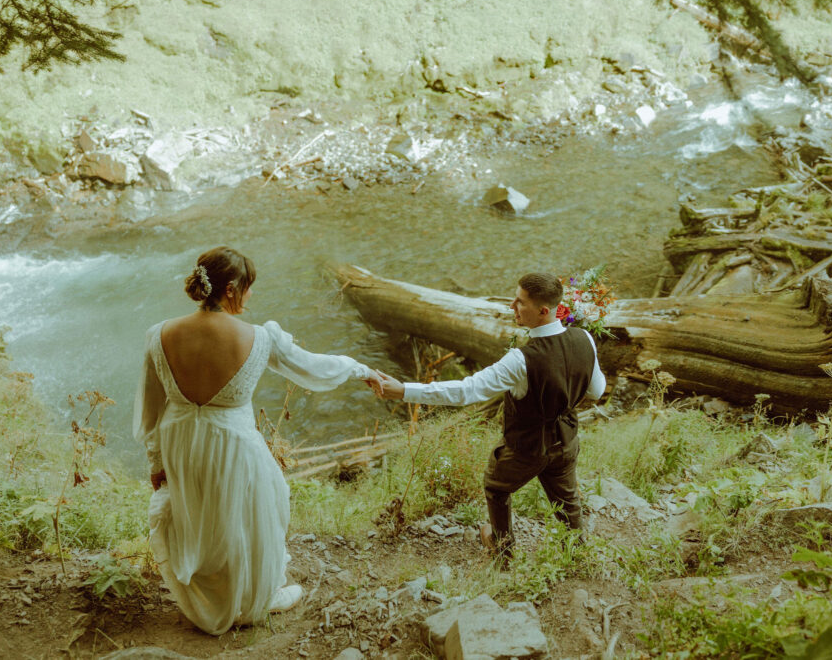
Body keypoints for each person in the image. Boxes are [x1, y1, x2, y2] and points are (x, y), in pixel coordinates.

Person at [134, 246, 382, 635]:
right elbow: (312, 366)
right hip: (232, 442)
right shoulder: (258, 337)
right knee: (249, 511)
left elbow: (151, 408)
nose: (252, 296)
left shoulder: (159, 334)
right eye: (249, 288)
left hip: (179, 441)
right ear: (231, 289)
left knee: (197, 514)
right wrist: (360, 368)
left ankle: (211, 597)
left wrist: (156, 461)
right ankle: (253, 601)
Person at [376, 272, 605, 566]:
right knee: (567, 498)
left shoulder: (521, 359)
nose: (512, 305)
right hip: (567, 439)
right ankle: (575, 554)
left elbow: (466, 391)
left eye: (520, 302)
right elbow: (597, 390)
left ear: (543, 311)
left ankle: (502, 549)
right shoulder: (584, 338)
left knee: (497, 486)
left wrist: (404, 390)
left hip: (528, 446)